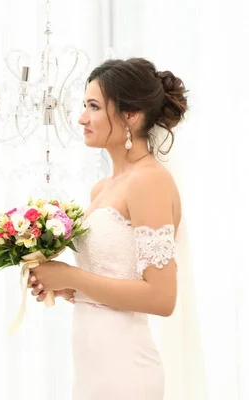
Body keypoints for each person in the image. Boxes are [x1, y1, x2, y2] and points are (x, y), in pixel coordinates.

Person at [28, 58, 191, 399]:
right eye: (84, 106)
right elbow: (113, 279)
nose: (81, 118)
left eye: (93, 107)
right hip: (91, 368)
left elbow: (162, 298)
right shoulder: (101, 189)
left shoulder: (150, 181)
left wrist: (71, 277)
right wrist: (60, 285)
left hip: (126, 371)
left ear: (130, 115)